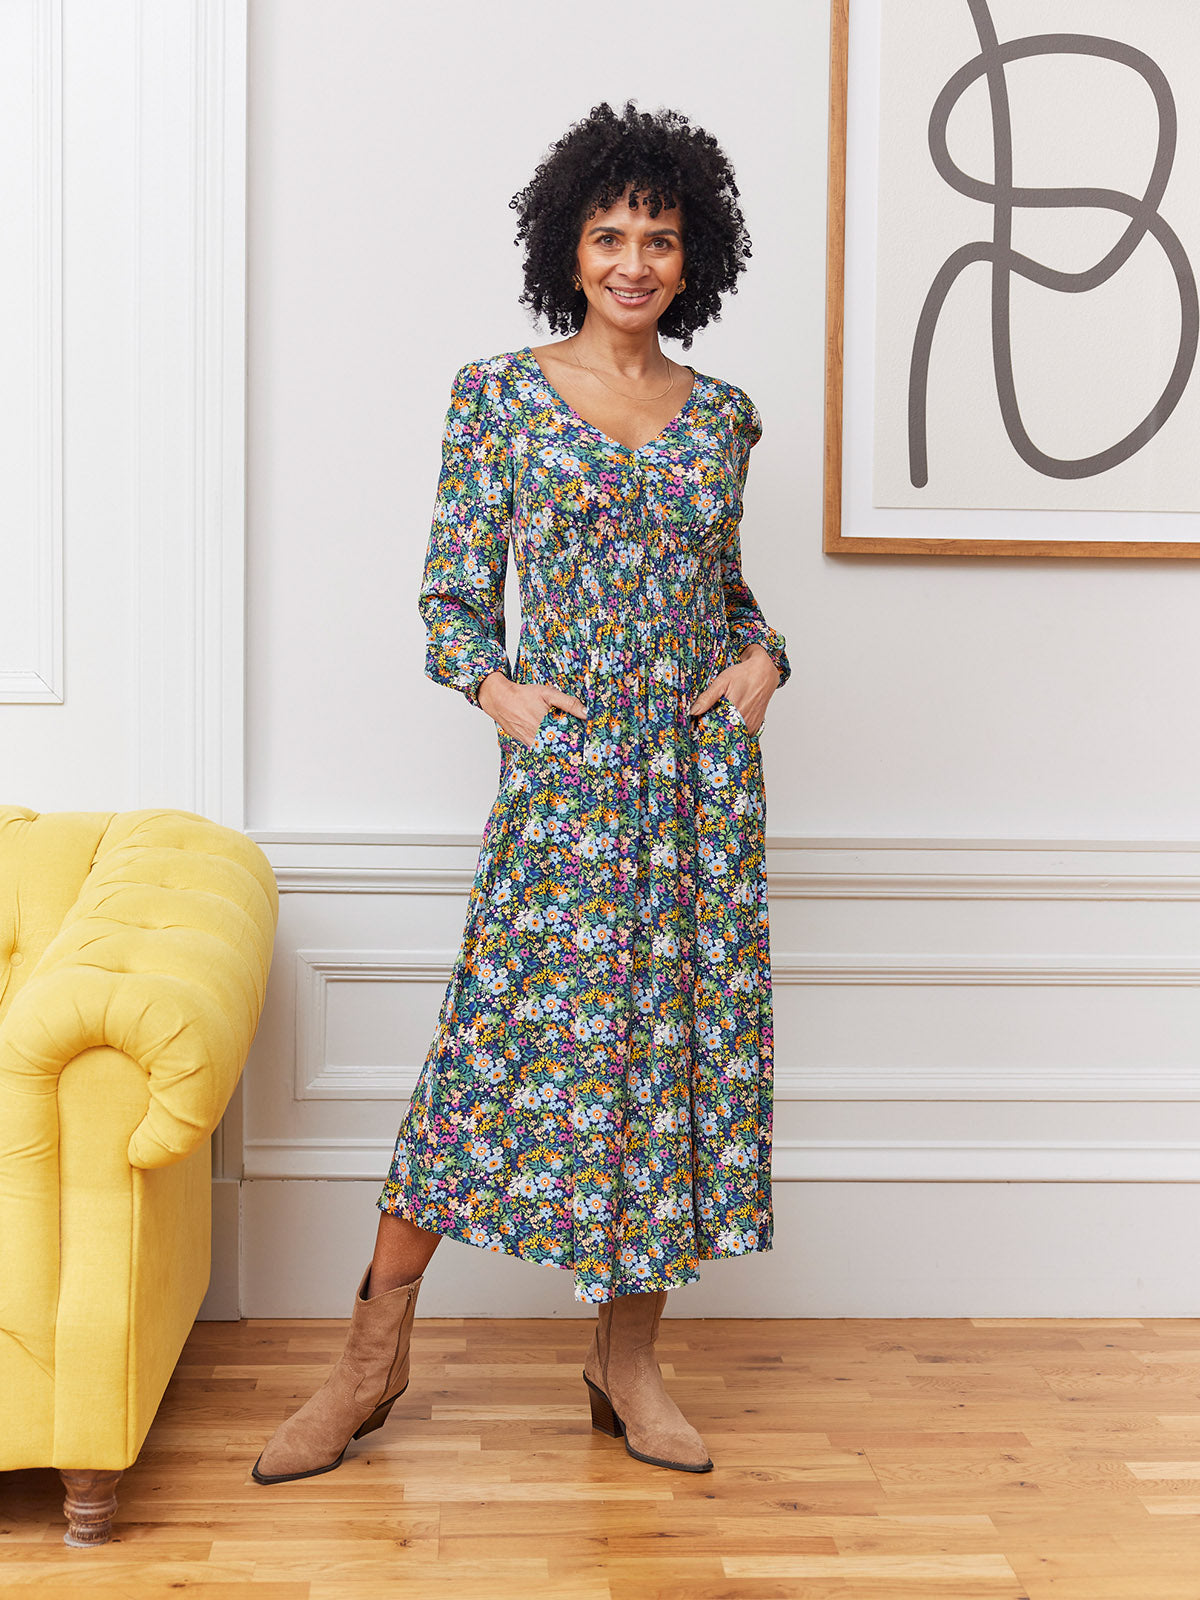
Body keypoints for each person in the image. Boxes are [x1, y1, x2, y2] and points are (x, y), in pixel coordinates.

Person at [252, 99, 790, 1487]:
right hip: (565, 790)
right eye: (609, 235)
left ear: (693, 255)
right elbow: (449, 597)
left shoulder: (725, 418)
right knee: (482, 1066)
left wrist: (766, 658)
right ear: (569, 247)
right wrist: (499, 694)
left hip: (694, 797)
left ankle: (627, 1361)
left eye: (658, 237)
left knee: (667, 1070)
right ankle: (367, 1362)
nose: (633, 261)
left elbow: (725, 595)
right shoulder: (498, 396)